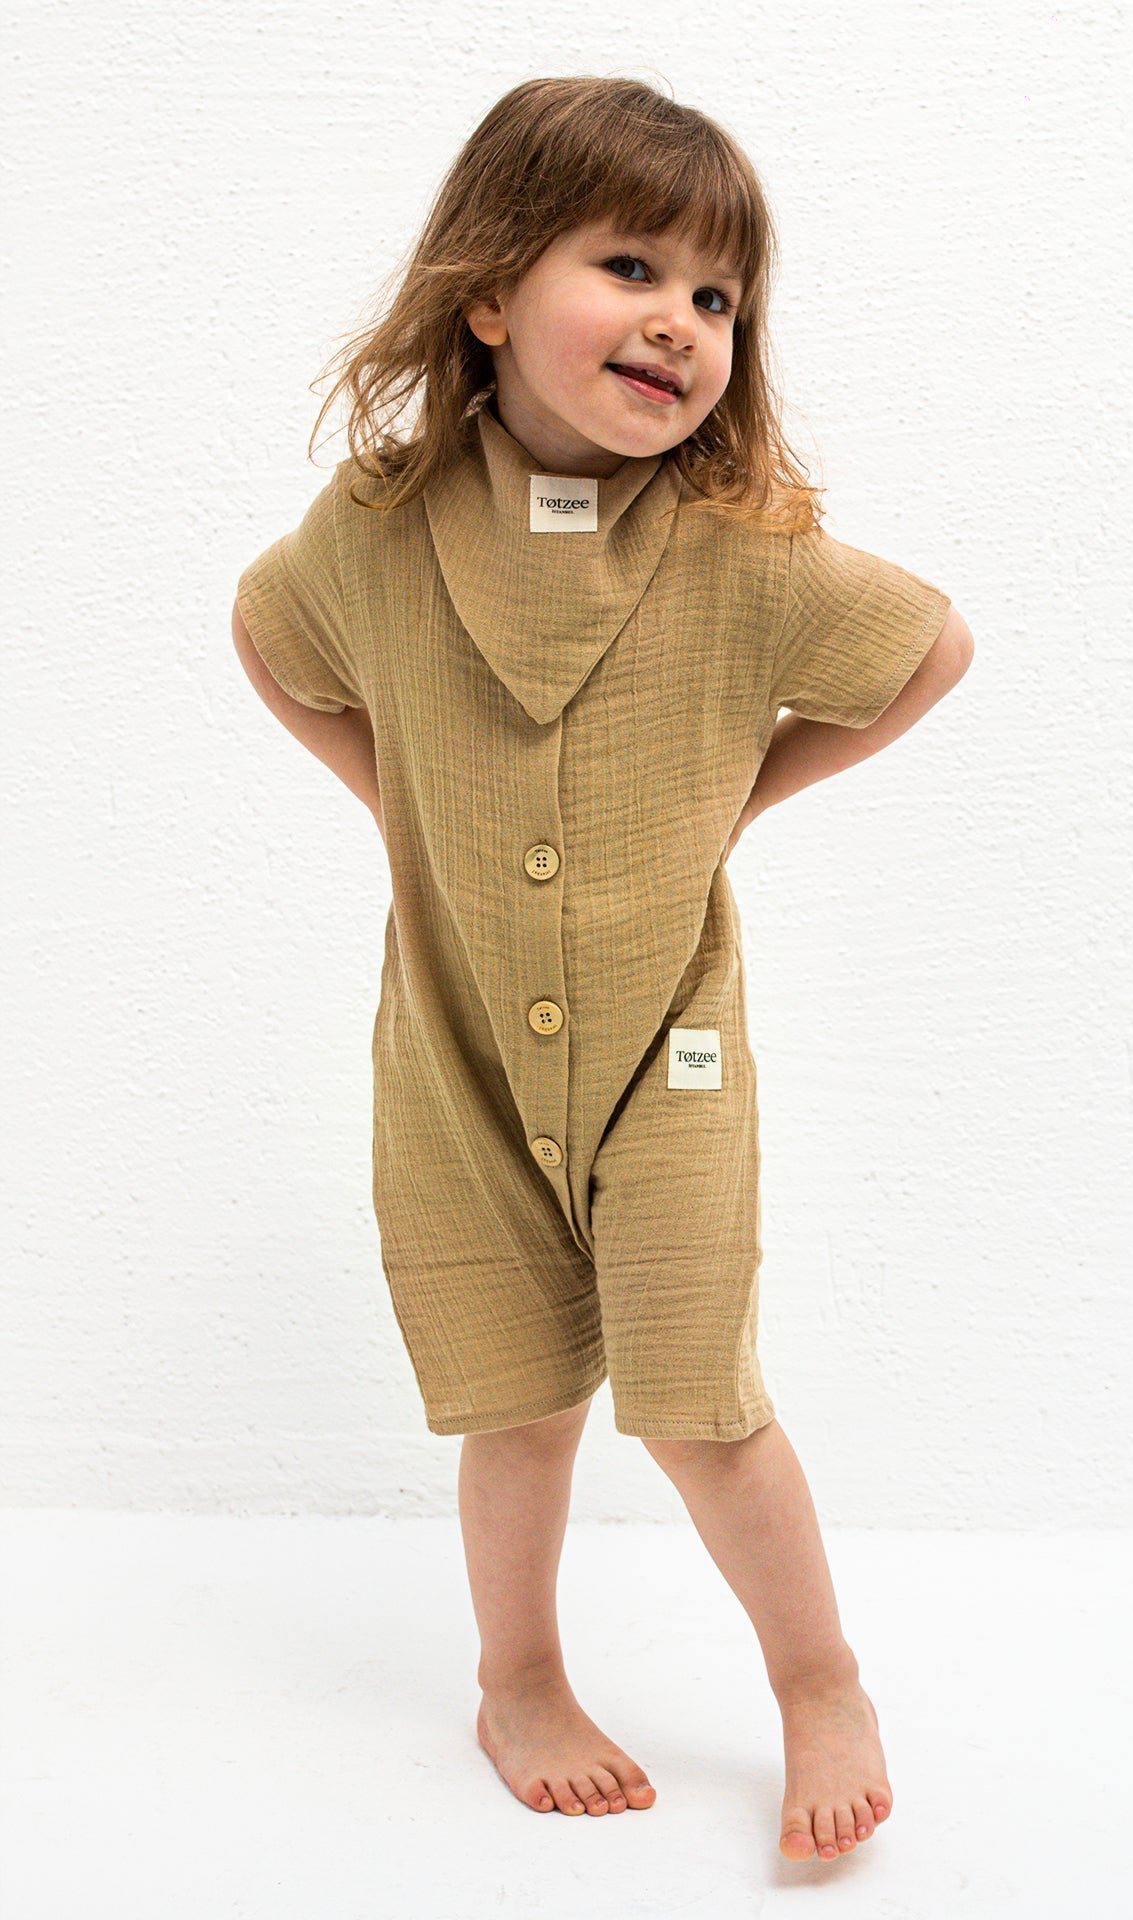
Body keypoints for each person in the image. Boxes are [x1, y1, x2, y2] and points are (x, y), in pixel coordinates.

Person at [232, 75, 973, 1865]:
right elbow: (268, 633)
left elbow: (933, 649)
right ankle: (520, 1678)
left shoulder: (739, 552)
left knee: (701, 1404)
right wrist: (397, 800)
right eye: (632, 267)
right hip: (459, 1059)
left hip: (670, 1059)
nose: (683, 323)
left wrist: (737, 800)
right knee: (517, 1402)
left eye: (718, 297)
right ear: (491, 292)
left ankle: (819, 1679)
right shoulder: (383, 523)